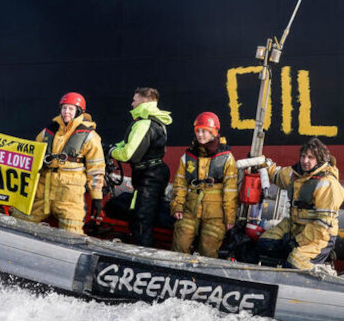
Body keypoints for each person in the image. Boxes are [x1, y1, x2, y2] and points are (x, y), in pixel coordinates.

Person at [12, 92, 105, 234]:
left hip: (69, 194)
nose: (66, 112)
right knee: (20, 221)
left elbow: (96, 168)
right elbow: (32, 154)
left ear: (79, 111)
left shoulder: (90, 137)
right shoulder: (48, 132)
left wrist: (97, 197)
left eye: (71, 109)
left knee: (71, 231)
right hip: (43, 189)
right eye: (64, 108)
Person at [256, 137, 344, 270]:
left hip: (319, 237)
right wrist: (263, 164)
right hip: (295, 226)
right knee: (265, 243)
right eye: (303, 156)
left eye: (310, 157)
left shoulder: (327, 183)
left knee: (295, 262)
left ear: (319, 159)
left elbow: (323, 225)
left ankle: (321, 271)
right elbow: (277, 175)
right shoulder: (295, 174)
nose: (305, 161)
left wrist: (297, 241)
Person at [109, 87, 172, 247]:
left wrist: (110, 151)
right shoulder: (157, 121)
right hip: (154, 174)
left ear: (144, 102)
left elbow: (129, 154)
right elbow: (125, 145)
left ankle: (142, 257)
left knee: (141, 221)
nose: (132, 103)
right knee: (144, 215)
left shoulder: (143, 124)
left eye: (134, 100)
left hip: (149, 177)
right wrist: (113, 147)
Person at [170, 112, 238, 258]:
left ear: (214, 133)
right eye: (198, 131)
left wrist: (230, 218)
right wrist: (178, 206)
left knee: (209, 247)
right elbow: (180, 184)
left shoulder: (226, 158)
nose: (200, 135)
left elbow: (230, 191)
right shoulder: (188, 156)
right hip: (190, 210)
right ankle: (179, 277)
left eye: (205, 131)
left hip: (216, 214)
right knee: (181, 241)